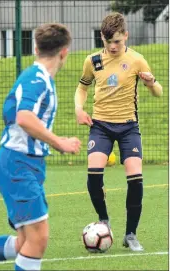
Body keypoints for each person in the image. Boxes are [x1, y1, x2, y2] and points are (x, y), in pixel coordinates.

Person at [0, 23, 81, 271]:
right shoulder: (37, 78)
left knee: (25, 242)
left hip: (22, 164)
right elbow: (23, 117)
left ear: (35, 48)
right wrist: (59, 142)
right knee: (38, 239)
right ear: (64, 52)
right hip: (18, 164)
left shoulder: (38, 78)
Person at [74, 12, 163, 252]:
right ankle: (104, 221)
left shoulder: (137, 60)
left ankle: (131, 235)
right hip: (100, 126)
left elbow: (159, 92)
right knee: (93, 175)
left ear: (126, 36)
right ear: (101, 38)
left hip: (128, 127)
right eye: (108, 41)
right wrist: (78, 108)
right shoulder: (92, 61)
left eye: (117, 41)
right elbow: (82, 88)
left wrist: (151, 82)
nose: (113, 46)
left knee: (136, 178)